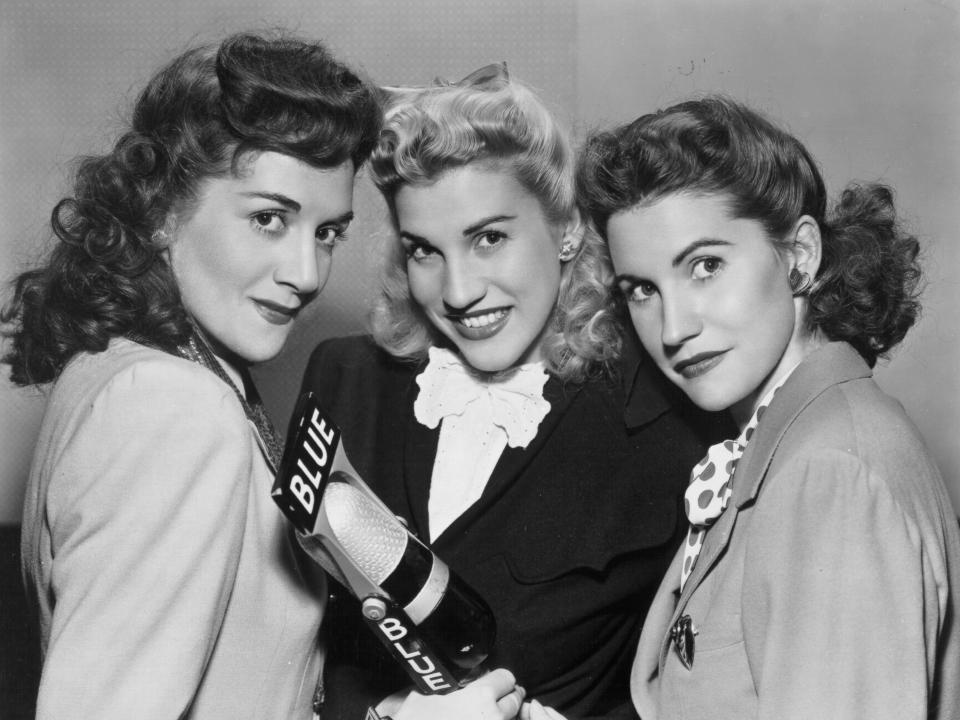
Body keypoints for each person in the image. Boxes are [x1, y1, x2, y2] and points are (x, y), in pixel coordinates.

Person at [301, 65, 727, 720]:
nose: (460, 290)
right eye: (424, 251)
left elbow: (701, 689)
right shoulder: (344, 381)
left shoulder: (671, 431)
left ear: (568, 231)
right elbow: (291, 646)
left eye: (489, 238)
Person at [1, 32, 382, 718]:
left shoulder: (134, 366)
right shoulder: (173, 407)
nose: (307, 274)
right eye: (269, 219)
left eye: (328, 232)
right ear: (161, 213)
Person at [574, 96, 960, 720]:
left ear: (799, 257)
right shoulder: (793, 442)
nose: (673, 328)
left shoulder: (831, 473)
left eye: (705, 266)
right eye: (642, 290)